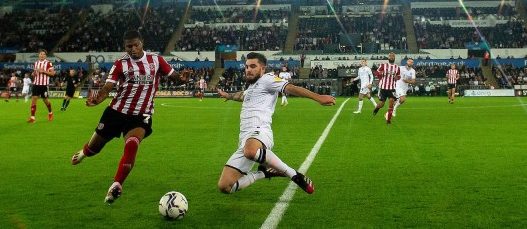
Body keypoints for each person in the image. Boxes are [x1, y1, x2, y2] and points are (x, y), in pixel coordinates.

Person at [70, 29, 191, 204]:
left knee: (132, 143)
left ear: (141, 43)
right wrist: (98, 100)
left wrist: (183, 79)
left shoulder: (156, 60)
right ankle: (84, 152)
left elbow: (176, 78)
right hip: (116, 112)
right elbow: (107, 87)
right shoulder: (120, 64)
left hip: (141, 115)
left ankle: (117, 184)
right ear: (124, 47)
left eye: (136, 45)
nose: (133, 49)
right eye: (129, 46)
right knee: (94, 148)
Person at [216, 52, 334, 195]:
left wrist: (318, 97)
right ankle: (264, 173)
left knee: (251, 151)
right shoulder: (252, 87)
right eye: (246, 66)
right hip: (245, 138)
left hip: (260, 131)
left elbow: (290, 88)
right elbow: (243, 95)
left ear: (263, 69)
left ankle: (294, 175)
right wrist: (228, 95)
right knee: (225, 186)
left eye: (253, 66)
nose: (248, 70)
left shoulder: (267, 79)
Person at [372, 52, 400, 124]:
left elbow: (399, 76)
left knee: (391, 102)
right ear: (388, 58)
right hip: (383, 88)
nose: (391, 57)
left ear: (394, 57)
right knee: (381, 104)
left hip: (392, 88)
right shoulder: (383, 65)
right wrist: (380, 73)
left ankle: (388, 120)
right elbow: (376, 73)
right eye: (390, 56)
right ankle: (377, 108)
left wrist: (396, 77)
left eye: (392, 56)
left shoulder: (397, 67)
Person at [28, 50, 56, 122]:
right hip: (36, 84)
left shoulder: (48, 63)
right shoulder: (36, 63)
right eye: (41, 54)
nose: (42, 55)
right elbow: (35, 73)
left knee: (45, 101)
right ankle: (32, 117)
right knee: (34, 100)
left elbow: (52, 74)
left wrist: (43, 71)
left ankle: (50, 113)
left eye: (43, 54)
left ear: (46, 56)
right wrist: (33, 74)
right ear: (38, 55)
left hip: (44, 85)